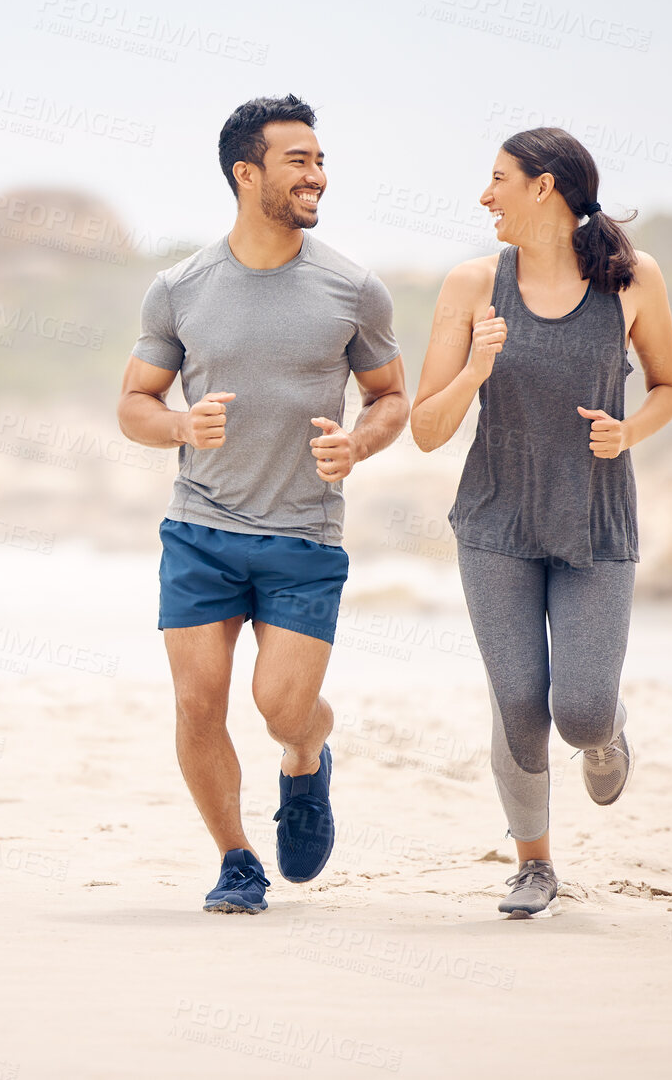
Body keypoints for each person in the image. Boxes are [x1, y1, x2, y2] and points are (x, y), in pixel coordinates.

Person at [117, 95, 408, 913]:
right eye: (298, 160)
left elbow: (391, 399)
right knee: (195, 702)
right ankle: (236, 860)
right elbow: (133, 403)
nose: (317, 174)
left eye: (319, 160)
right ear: (247, 174)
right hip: (200, 528)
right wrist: (177, 421)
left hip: (302, 534)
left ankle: (306, 757)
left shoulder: (353, 289)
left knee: (281, 707)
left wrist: (358, 444)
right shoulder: (179, 287)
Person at [409, 127, 672, 918]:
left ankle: (608, 734)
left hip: (595, 526)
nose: (484, 196)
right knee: (520, 707)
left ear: (544, 187)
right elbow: (426, 429)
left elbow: (667, 386)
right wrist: (474, 370)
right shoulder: (470, 284)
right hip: (495, 524)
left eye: (497, 179)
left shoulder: (631, 279)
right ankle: (532, 865)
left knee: (581, 709)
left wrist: (628, 432)